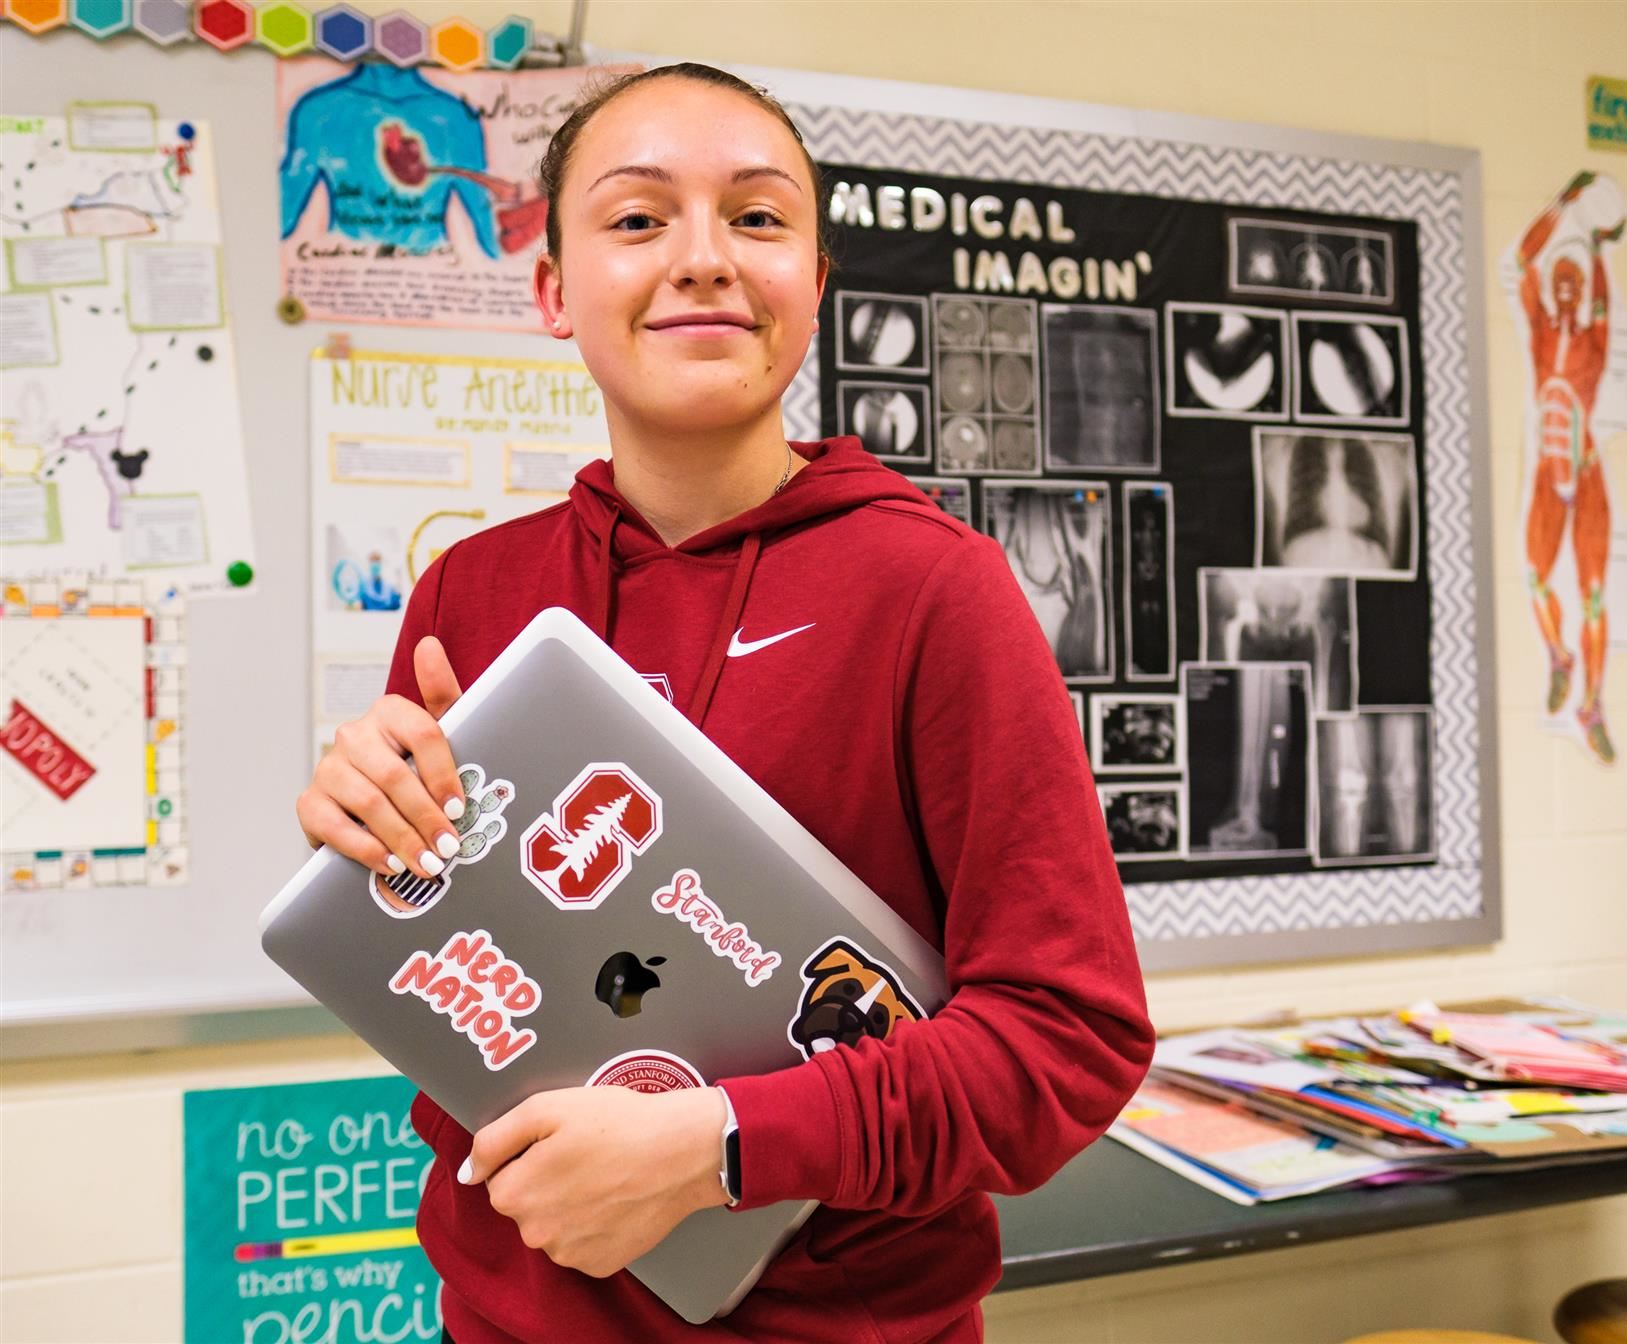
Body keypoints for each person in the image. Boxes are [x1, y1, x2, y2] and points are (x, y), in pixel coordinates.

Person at [295, 62, 1153, 1343]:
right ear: (551, 291)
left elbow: (1065, 1042)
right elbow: (455, 1004)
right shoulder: (471, 595)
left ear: (813, 286)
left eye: (757, 218)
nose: (703, 258)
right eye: (638, 220)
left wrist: (723, 1147)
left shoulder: (937, 593)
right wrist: (372, 848)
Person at [1515, 170, 1624, 764]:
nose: (1562, 287)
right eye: (1559, 279)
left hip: (1583, 472)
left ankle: (1593, 705)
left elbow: (1604, 302)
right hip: (1545, 469)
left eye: (1571, 281)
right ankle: (1558, 654)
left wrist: (1601, 248)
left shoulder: (1593, 340)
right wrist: (1562, 203)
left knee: (1595, 594)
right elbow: (1523, 259)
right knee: (1535, 578)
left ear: (1579, 291)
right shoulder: (1536, 332)